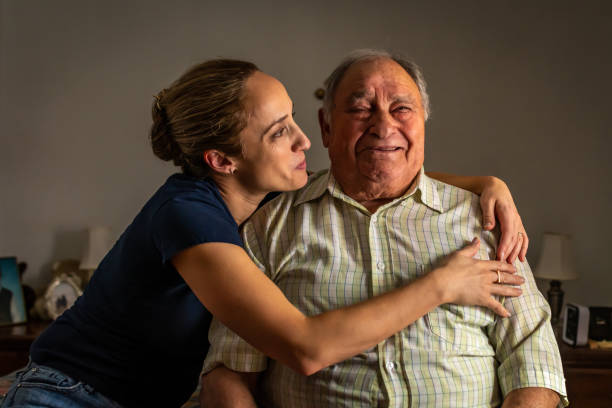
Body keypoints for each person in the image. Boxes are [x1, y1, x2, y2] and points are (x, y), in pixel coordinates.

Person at [3, 59, 525, 408]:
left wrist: (486, 184)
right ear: (222, 160)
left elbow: (381, 168)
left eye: (294, 119)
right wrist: (443, 285)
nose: (303, 140)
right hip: (70, 396)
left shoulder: (262, 197)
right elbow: (306, 347)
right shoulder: (187, 214)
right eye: (279, 132)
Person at [201, 50, 568, 408]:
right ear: (327, 127)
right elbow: (229, 372)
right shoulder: (270, 228)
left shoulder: (484, 220)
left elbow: (534, 364)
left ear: (422, 123)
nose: (383, 126)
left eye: (402, 109)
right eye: (361, 109)